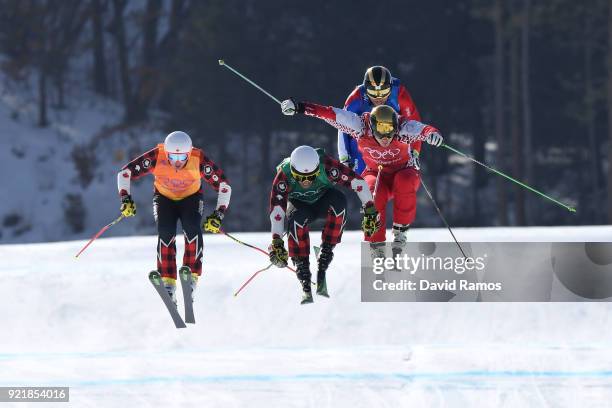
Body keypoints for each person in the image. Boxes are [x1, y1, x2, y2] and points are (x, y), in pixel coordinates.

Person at [280, 99, 443, 258]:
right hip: (376, 172)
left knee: (404, 179)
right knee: (372, 191)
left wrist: (432, 134)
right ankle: (375, 244)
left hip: (404, 172)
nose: (385, 138)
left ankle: (400, 232)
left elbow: (424, 129)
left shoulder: (403, 127)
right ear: (372, 126)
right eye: (381, 130)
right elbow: (329, 113)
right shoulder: (359, 126)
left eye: (389, 131)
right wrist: (299, 107)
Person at [117, 131, 231, 304]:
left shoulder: (197, 159)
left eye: (182, 157)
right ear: (166, 152)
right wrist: (125, 198)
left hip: (190, 198)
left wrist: (219, 214)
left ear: (189, 152)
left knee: (192, 228)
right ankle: (168, 281)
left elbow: (223, 185)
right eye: (172, 157)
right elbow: (125, 173)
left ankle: (191, 277)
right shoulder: (157, 155)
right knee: (165, 231)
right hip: (164, 198)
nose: (177, 162)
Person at [267, 145, 379, 304]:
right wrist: (277, 242)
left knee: (339, 201)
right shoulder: (283, 176)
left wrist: (370, 210)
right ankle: (301, 264)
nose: (306, 182)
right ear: (292, 171)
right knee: (295, 218)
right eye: (300, 177)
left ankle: (327, 249)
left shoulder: (326, 166)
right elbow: (277, 211)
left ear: (317, 170)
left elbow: (357, 182)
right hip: (301, 207)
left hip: (324, 201)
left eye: (311, 176)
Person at [338, 66, 422, 174]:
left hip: (392, 141)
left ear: (391, 88)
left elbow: (413, 122)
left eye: (384, 92)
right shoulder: (356, 98)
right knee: (363, 180)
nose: (378, 98)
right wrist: (344, 158)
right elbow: (341, 126)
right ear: (365, 88)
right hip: (364, 143)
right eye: (373, 93)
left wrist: (414, 152)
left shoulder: (399, 93)